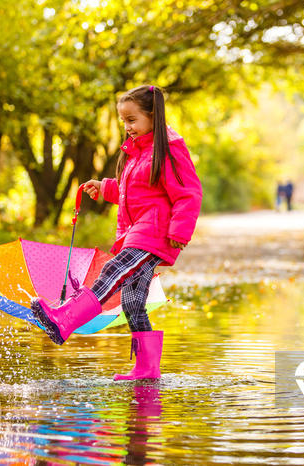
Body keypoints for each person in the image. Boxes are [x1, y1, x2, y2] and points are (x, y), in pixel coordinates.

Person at [31, 84, 202, 381]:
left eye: (132, 120)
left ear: (153, 117)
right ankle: (147, 369)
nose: (127, 127)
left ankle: (66, 318)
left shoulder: (169, 149)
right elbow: (135, 191)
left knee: (114, 268)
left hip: (155, 232)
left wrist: (180, 231)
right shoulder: (137, 152)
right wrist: (106, 187)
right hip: (141, 229)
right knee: (133, 302)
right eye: (123, 121)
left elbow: (189, 193)